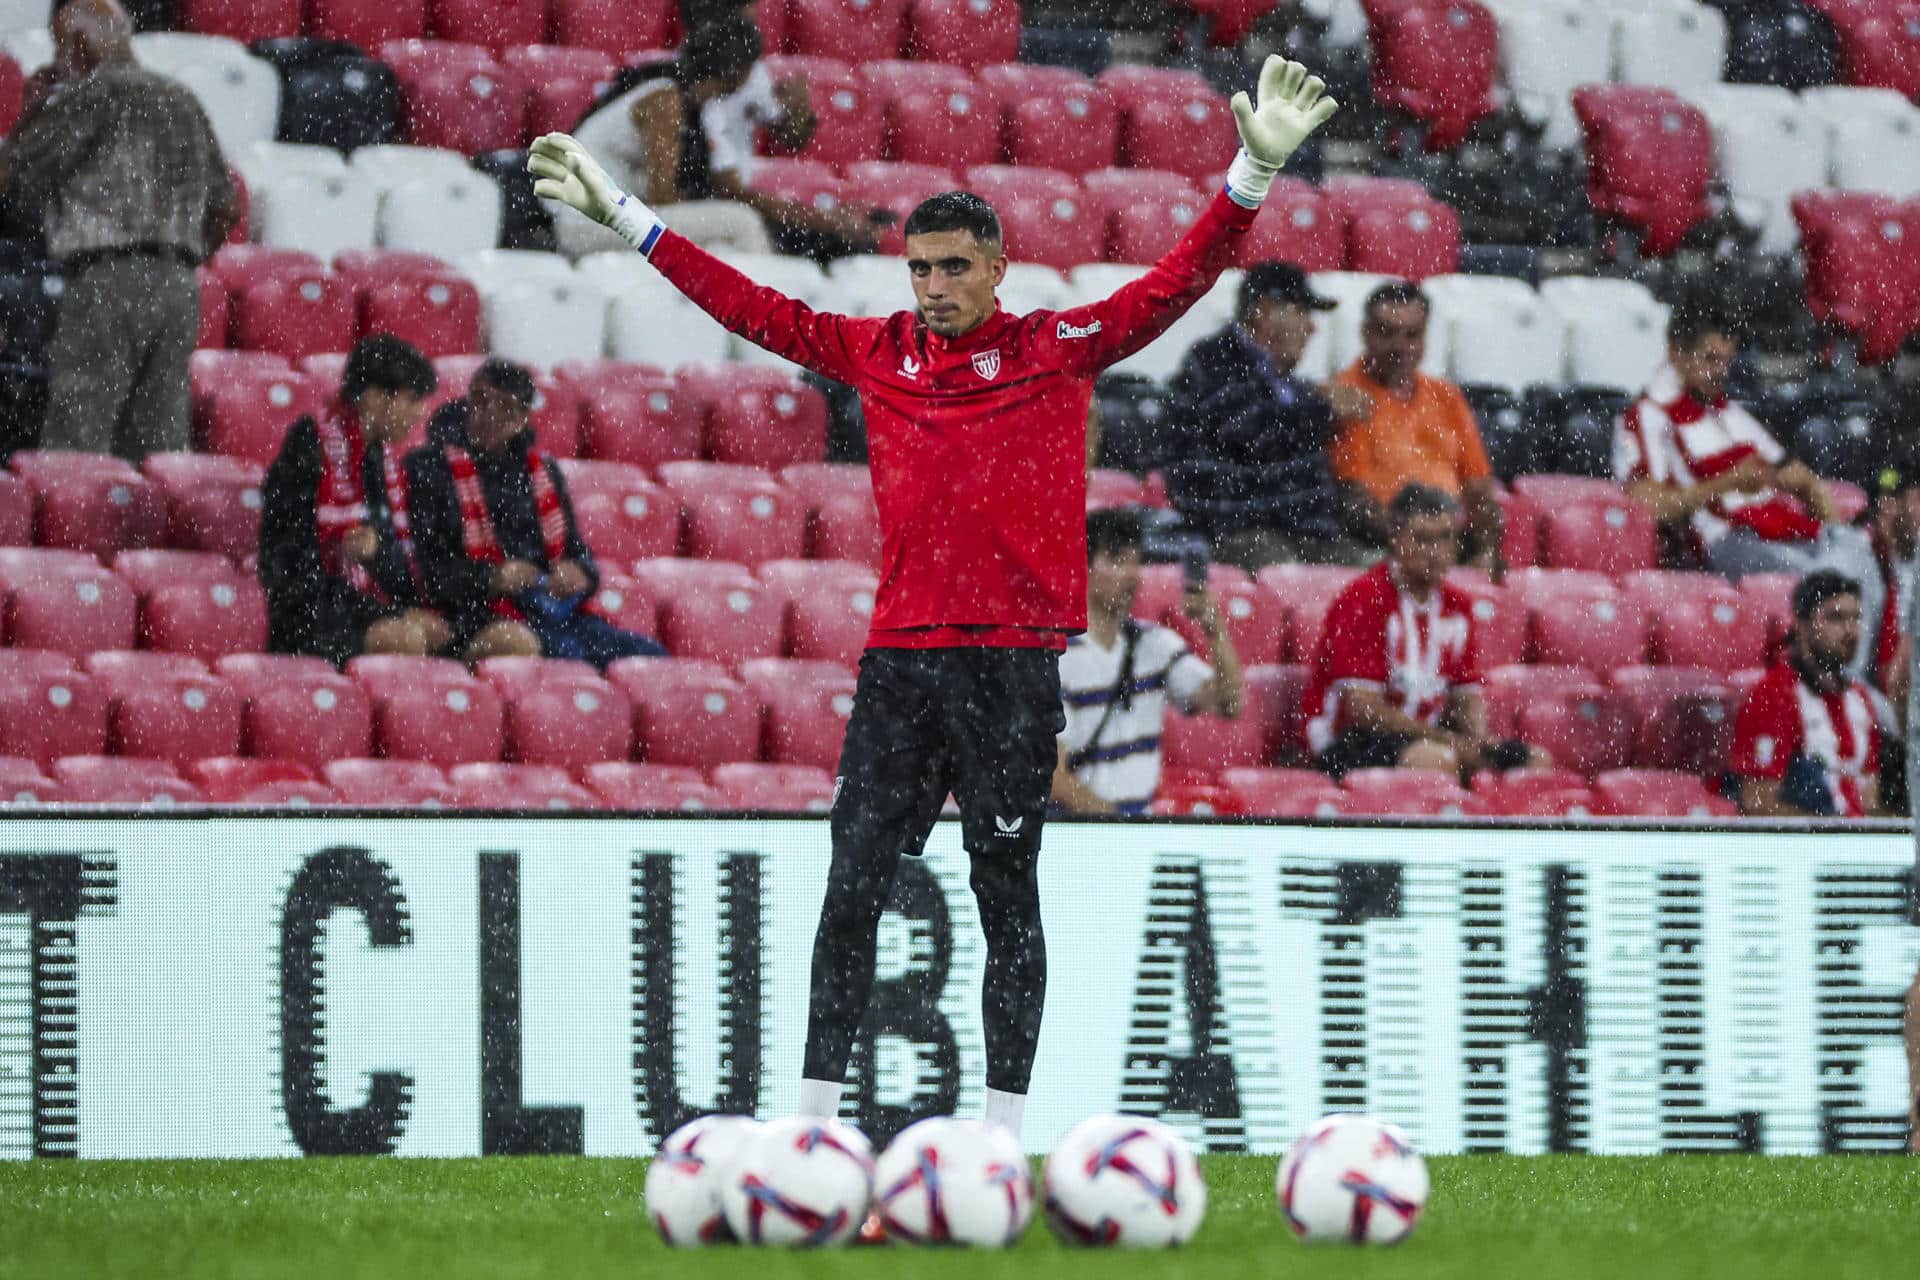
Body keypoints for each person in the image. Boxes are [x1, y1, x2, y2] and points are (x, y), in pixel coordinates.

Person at [529, 55, 1337, 1139]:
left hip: (1009, 667)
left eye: (955, 267)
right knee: (853, 883)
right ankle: (813, 1123)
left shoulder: (1054, 349)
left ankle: (1000, 1135)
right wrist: (627, 213)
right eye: (919, 269)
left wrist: (1250, 173)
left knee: (1007, 894)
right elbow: (749, 303)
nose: (935, 287)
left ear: (996, 268)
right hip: (901, 662)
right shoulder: (876, 353)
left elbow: (1178, 282)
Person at [0, 0, 238, 460]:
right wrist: (187, 257)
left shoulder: (88, 96)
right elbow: (226, 208)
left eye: (60, 45)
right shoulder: (180, 98)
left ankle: (73, 532)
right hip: (179, 287)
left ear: (80, 44)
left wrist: (33, 111)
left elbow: (11, 174)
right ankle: (146, 533)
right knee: (158, 451)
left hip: (107, 279)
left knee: (78, 445)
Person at [1616, 306, 1882, 676]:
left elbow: (1804, 481)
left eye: (1725, 360)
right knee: (1828, 581)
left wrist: (1834, 528)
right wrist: (1727, 482)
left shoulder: (1731, 414)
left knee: (1857, 551)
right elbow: (1650, 505)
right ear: (1677, 352)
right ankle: (1845, 687)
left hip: (1782, 532)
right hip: (1726, 540)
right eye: (1710, 358)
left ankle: (1862, 687)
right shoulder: (1648, 415)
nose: (1720, 371)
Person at [559, 12, 878, 261]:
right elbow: (662, 197)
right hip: (587, 225)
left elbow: (789, 141)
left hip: (611, 218)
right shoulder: (665, 100)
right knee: (739, 222)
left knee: (721, 245)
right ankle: (766, 327)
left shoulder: (692, 103)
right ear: (738, 73)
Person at [406, 360, 665, 668]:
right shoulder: (427, 467)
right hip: (476, 615)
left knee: (650, 657)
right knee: (567, 660)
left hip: (550, 610)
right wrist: (493, 578)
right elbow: (427, 570)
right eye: (481, 401)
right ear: (468, 401)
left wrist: (581, 574)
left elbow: (577, 550)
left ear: (522, 419)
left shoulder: (542, 470)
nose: (489, 415)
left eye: (505, 408)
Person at [1302, 484, 1544, 780]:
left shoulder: (1458, 606)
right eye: (1423, 539)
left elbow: (1465, 694)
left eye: (1445, 538)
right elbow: (1364, 711)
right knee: (1434, 761)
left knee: (1534, 762)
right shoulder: (1363, 599)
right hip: (1348, 741)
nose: (1436, 552)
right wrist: (1449, 742)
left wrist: (1477, 742)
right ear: (1395, 538)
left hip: (1427, 736)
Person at [1165, 262, 1372, 569]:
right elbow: (1253, 434)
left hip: (1308, 534)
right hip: (1239, 532)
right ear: (1264, 310)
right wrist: (1324, 408)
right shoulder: (1213, 360)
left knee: (1377, 581)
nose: (1312, 328)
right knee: (1290, 585)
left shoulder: (1292, 384)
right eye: (1302, 313)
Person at [259, 336, 451, 665]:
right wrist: (387, 614)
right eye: (411, 400)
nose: (419, 413)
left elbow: (398, 563)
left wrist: (382, 570)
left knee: (451, 633)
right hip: (310, 619)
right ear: (374, 397)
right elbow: (293, 574)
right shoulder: (310, 448)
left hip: (359, 608)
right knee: (406, 638)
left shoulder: (383, 461)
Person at [1052, 508, 1244, 815]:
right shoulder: (1059, 659)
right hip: (1083, 836)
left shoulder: (1155, 644)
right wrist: (1118, 829)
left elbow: (1228, 703)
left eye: (1135, 561)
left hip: (1137, 830)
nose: (1131, 573)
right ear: (1082, 567)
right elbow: (1054, 777)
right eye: (1116, 560)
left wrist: (1215, 631)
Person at [1329, 282, 1503, 570]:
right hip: (1382, 546)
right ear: (1366, 333)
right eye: (1387, 333)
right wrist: (1422, 542)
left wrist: (1484, 549)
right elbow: (1355, 503)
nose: (1400, 347)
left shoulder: (1446, 397)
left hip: (1448, 543)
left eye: (1412, 335)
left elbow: (1479, 491)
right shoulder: (1348, 396)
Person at [1728, 570, 1883, 817]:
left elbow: (1870, 801)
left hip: (1857, 846)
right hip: (1803, 850)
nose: (1850, 630)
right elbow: (1756, 802)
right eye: (1835, 618)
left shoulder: (1860, 698)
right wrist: (1833, 838)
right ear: (1802, 624)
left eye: (1856, 618)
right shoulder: (1772, 695)